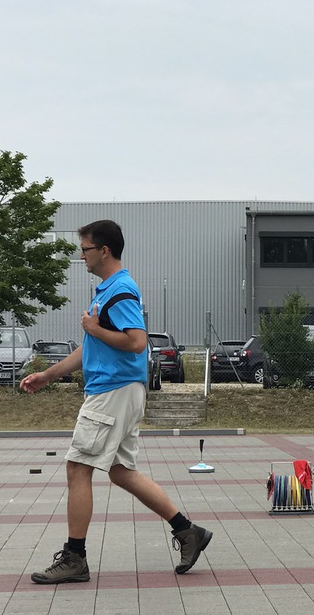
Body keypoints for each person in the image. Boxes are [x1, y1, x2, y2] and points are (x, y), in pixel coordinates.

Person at [20, 219, 213, 583]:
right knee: (121, 471)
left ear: (104, 250)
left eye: (85, 249)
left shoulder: (120, 290)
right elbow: (90, 348)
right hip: (120, 390)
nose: (82, 256)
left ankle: (75, 558)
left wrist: (95, 328)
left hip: (113, 391)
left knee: (78, 467)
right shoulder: (107, 291)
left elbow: (137, 342)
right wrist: (49, 375)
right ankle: (188, 531)